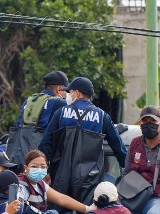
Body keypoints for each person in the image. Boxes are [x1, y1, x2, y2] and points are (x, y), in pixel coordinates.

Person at [38, 76, 127, 205]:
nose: (68, 95)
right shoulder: (102, 116)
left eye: (70, 92)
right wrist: (129, 169)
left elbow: (45, 144)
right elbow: (118, 147)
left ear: (78, 93)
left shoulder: (61, 113)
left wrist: (44, 171)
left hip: (62, 177)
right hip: (90, 179)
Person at [6, 70, 69, 166]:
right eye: (66, 90)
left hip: (18, 157)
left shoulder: (29, 101)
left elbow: (18, 125)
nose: (67, 94)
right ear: (59, 89)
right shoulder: (59, 102)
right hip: (40, 160)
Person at [18, 149, 92, 214]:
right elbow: (19, 209)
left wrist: (88, 209)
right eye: (34, 166)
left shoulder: (41, 184)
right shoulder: (21, 184)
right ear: (26, 168)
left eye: (43, 167)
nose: (39, 170)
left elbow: (61, 199)